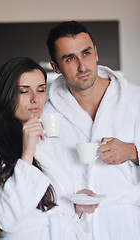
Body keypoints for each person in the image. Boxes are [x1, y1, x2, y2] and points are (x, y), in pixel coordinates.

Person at [0, 57, 97, 240]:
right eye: (24, 91)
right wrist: (27, 153)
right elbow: (6, 219)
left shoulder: (50, 140)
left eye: (41, 90)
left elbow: (56, 208)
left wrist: (76, 206)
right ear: (6, 95)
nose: (36, 99)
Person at [44, 21, 140, 240]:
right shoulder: (47, 115)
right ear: (55, 66)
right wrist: (69, 204)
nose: (82, 66)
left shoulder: (135, 100)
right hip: (76, 229)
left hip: (130, 225)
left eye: (86, 53)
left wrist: (133, 151)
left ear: (96, 53)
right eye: (70, 58)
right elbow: (43, 182)